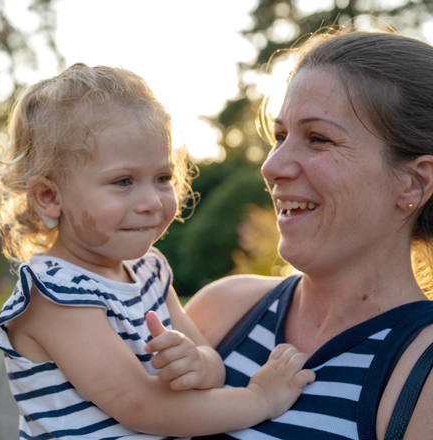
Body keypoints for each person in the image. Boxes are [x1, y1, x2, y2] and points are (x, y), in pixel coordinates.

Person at [0, 64, 314, 438]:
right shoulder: (53, 293)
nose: (151, 202)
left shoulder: (149, 270)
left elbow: (211, 364)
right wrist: (260, 400)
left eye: (162, 178)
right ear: (49, 197)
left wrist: (195, 363)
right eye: (123, 181)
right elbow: (142, 407)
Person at [185, 29, 433, 440]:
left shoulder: (419, 373)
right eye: (280, 137)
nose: (272, 166)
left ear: (413, 183)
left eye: (318, 138)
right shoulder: (223, 312)